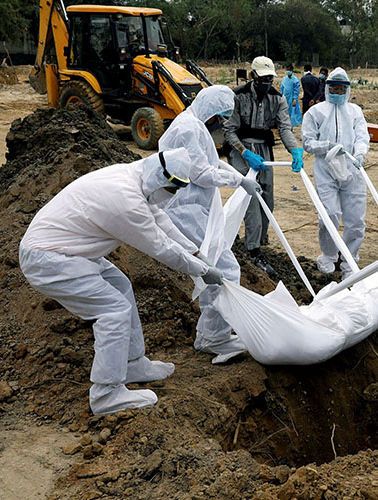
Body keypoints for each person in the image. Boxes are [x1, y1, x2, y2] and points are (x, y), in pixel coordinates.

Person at [19, 148, 224, 415]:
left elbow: (160, 219)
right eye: (172, 189)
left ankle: (132, 363)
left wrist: (196, 252)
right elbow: (159, 246)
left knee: (120, 286)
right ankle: (106, 393)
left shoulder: (137, 177)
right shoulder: (125, 200)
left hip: (71, 252)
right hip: (49, 259)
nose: (172, 196)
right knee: (113, 310)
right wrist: (199, 269)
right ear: (161, 178)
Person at [157, 85, 260, 361]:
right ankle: (213, 337)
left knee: (216, 267)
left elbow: (208, 161)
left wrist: (236, 173)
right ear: (210, 109)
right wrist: (239, 181)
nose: (220, 122)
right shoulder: (189, 129)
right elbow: (201, 173)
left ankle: (214, 333)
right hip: (185, 210)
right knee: (223, 269)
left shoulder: (192, 125)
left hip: (192, 208)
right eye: (220, 115)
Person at [224, 56, 303, 276]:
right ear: (253, 76)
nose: (266, 83)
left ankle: (260, 236)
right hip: (242, 149)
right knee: (251, 195)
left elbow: (285, 128)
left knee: (267, 198)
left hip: (264, 150)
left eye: (270, 79)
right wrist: (244, 152)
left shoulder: (277, 99)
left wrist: (294, 150)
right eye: (262, 78)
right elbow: (229, 131)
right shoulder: (238, 97)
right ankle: (253, 249)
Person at [301, 67, 370, 279]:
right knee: (329, 214)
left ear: (347, 90)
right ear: (328, 88)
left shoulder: (355, 112)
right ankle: (329, 255)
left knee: (356, 219)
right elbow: (308, 142)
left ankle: (350, 259)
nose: (338, 93)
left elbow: (362, 136)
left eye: (342, 89)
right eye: (335, 88)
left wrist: (360, 154)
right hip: (326, 169)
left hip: (351, 169)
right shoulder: (316, 112)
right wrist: (326, 146)